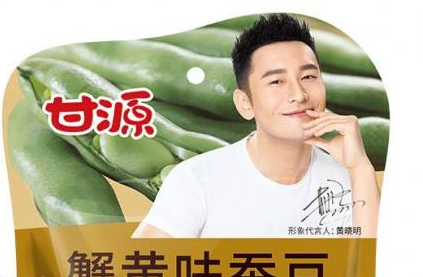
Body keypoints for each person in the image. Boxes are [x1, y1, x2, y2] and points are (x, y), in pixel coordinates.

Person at [133, 13, 381, 238]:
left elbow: (372, 267)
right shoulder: (197, 179)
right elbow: (141, 265)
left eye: (308, 76)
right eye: (276, 81)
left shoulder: (351, 180)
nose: (299, 94)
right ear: (244, 104)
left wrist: (360, 168)